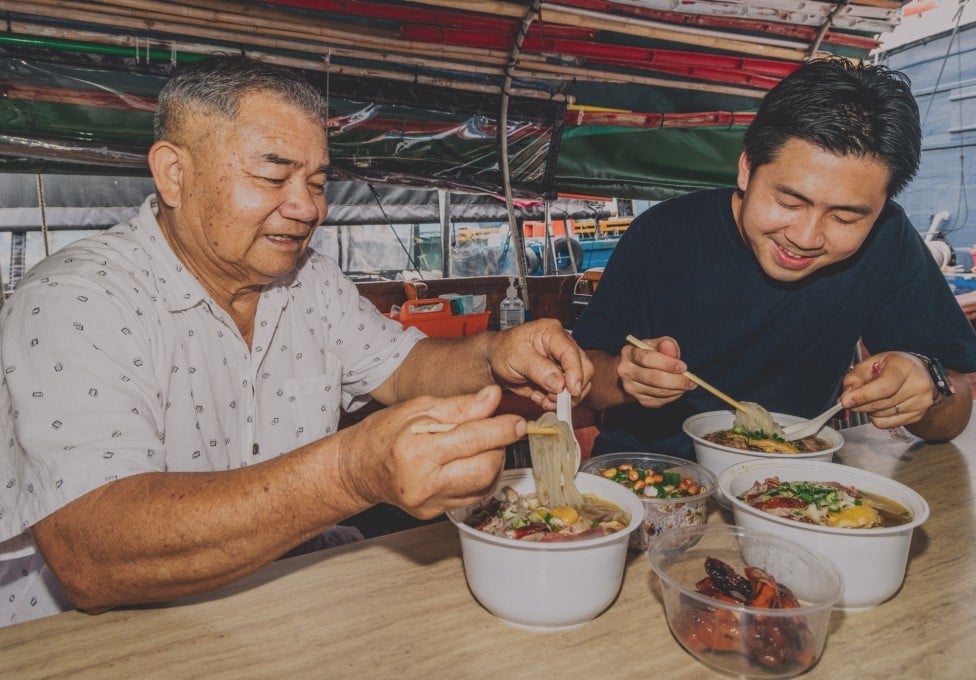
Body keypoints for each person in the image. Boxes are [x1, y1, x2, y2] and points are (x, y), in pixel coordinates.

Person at [0, 55, 592, 625]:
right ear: (175, 174)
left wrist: (494, 354)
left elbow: (405, 365)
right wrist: (349, 472)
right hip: (89, 639)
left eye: (316, 181)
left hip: (281, 605)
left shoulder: (310, 281)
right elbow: (92, 554)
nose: (307, 207)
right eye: (273, 174)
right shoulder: (75, 299)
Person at [572, 57, 976, 459]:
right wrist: (627, 379)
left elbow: (955, 414)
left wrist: (926, 389)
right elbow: (587, 375)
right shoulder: (662, 233)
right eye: (789, 202)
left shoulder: (887, 240)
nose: (806, 238)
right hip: (648, 481)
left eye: (845, 217)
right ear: (747, 168)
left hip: (793, 486)